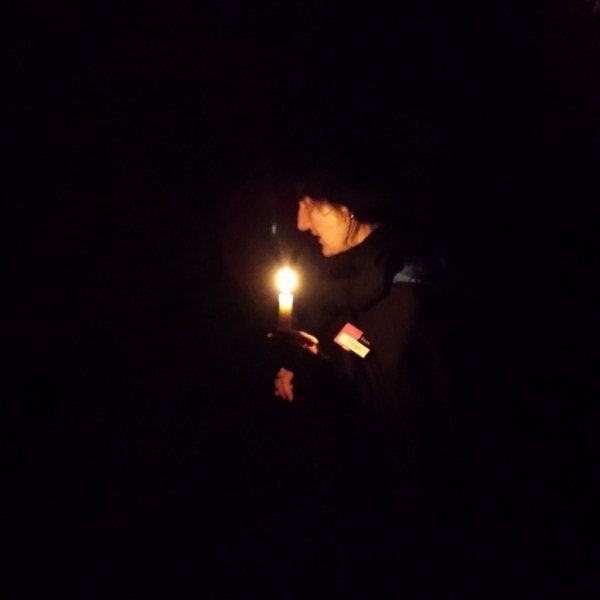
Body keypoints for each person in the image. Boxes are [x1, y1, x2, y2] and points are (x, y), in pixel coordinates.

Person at [268, 170, 460, 597]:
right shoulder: (354, 288)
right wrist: (315, 359)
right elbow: (359, 348)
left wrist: (325, 376)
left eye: (309, 205)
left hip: (410, 538)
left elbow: (406, 419)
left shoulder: (410, 292)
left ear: (347, 207)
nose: (301, 223)